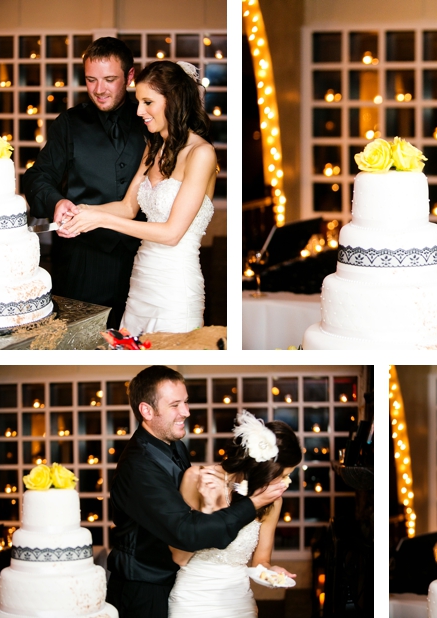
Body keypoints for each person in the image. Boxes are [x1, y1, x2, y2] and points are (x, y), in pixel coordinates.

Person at [106, 366, 286, 618]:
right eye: (175, 405)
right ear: (147, 411)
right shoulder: (139, 467)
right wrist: (252, 504)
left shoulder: (175, 446)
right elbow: (186, 532)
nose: (186, 412)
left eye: (186, 402)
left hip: (175, 583)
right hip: (143, 591)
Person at [61, 60, 216, 333]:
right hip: (141, 280)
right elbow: (128, 207)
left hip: (176, 288)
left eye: (148, 102)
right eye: (139, 101)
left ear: (174, 100)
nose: (139, 111)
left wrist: (100, 220)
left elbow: (172, 233)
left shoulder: (200, 154)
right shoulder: (153, 148)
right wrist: (83, 211)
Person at [22, 37, 147, 328]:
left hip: (143, 259)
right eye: (91, 80)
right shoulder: (69, 123)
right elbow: (37, 176)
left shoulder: (150, 120)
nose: (99, 90)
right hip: (83, 262)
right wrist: (56, 202)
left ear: (130, 76)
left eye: (109, 79)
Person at [168, 413, 302, 617]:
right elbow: (179, 557)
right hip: (191, 599)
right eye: (283, 475)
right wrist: (207, 510)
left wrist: (271, 572)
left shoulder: (273, 501)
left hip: (238, 602)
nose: (286, 483)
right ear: (265, 468)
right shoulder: (197, 478)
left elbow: (261, 561)